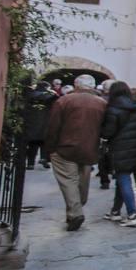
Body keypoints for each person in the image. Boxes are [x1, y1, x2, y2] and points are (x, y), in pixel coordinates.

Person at [44, 75, 106, 231]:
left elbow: (53, 126)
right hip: (89, 148)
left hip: (65, 147)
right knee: (83, 181)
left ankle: (75, 212)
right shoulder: (102, 104)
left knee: (68, 181)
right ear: (93, 86)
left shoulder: (64, 101)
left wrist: (50, 148)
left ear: (75, 85)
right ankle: (76, 209)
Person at [100, 81, 136, 227]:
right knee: (122, 180)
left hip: (120, 148)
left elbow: (108, 132)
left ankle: (132, 213)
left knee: (124, 178)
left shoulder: (113, 109)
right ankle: (115, 211)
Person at [22, 80, 58, 169]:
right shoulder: (50, 95)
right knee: (44, 142)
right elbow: (57, 98)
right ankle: (44, 158)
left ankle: (30, 163)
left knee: (32, 144)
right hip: (45, 122)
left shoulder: (30, 95)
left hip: (32, 122)